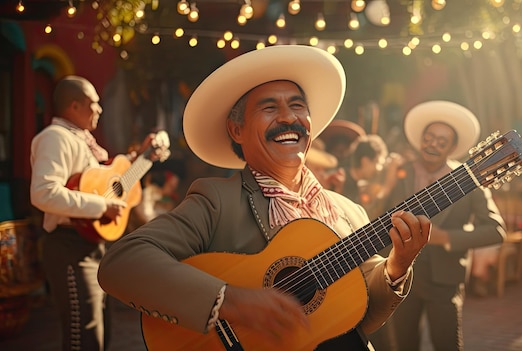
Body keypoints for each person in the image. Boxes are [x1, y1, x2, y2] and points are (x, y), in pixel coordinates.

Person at [97, 45, 432, 350]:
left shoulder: (348, 211)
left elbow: (363, 317)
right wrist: (230, 301)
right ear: (237, 130)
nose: (288, 117)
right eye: (269, 107)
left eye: (297, 105)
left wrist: (397, 266)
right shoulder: (217, 200)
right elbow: (122, 263)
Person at [29, 75, 159, 351]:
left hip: (90, 247)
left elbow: (111, 181)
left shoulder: (83, 142)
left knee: (99, 336)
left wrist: (144, 157)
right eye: (94, 103)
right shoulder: (55, 138)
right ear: (74, 106)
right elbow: (43, 192)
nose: (99, 109)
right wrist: (102, 207)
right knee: (83, 338)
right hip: (68, 248)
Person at [369, 100, 507, 351]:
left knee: (447, 345)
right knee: (401, 345)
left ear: (453, 147)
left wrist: (445, 237)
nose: (433, 145)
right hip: (400, 277)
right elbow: (370, 216)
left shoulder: (468, 180)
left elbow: (496, 230)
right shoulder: (400, 173)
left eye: (441, 141)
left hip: (445, 280)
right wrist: (386, 184)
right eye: (429, 138)